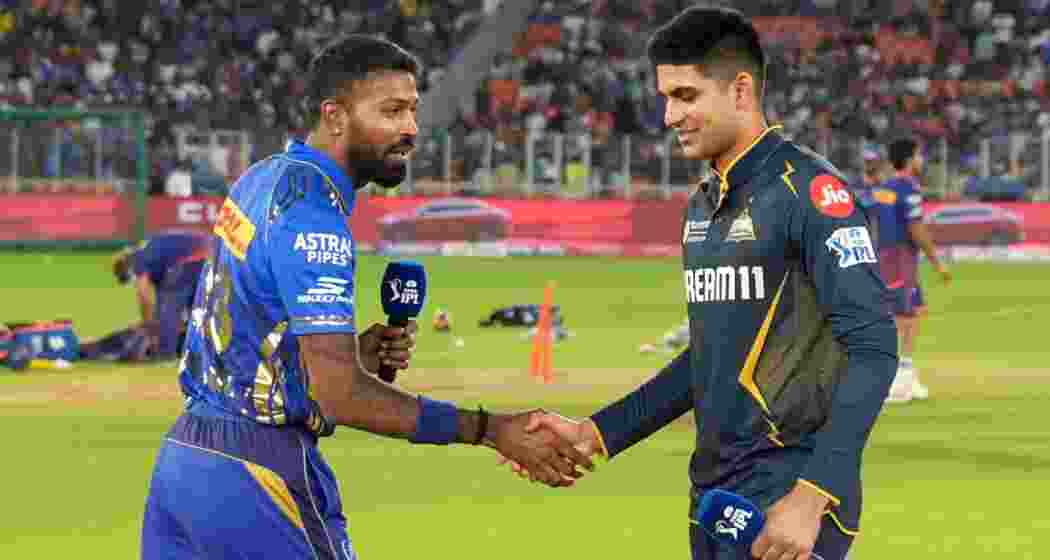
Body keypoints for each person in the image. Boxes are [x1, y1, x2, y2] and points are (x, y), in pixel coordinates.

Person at [140, 35, 592, 560]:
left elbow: (250, 339)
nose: (411, 129)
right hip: (255, 474)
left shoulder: (262, 179)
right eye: (392, 111)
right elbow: (341, 395)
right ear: (334, 115)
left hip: (184, 461)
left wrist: (350, 351)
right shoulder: (314, 217)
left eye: (413, 111)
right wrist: (490, 430)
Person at [506, 8, 897, 560]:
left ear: (740, 91)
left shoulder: (808, 192)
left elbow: (875, 347)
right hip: (714, 495)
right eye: (666, 97)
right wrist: (596, 433)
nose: (669, 115)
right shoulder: (702, 205)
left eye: (686, 96)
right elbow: (709, 360)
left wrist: (814, 495)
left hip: (788, 493)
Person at [871, 138, 951, 403]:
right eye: (919, 155)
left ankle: (906, 372)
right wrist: (937, 262)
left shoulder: (882, 189)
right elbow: (916, 229)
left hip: (886, 255)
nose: (922, 160)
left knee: (914, 308)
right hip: (899, 257)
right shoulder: (910, 190)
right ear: (908, 160)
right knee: (902, 313)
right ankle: (895, 378)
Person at [82, 231, 212, 361]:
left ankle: (164, 354)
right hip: (212, 255)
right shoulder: (156, 260)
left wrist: (147, 323)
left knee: (168, 312)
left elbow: (144, 297)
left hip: (193, 258)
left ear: (127, 267)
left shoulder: (138, 259)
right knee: (198, 311)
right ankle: (206, 351)